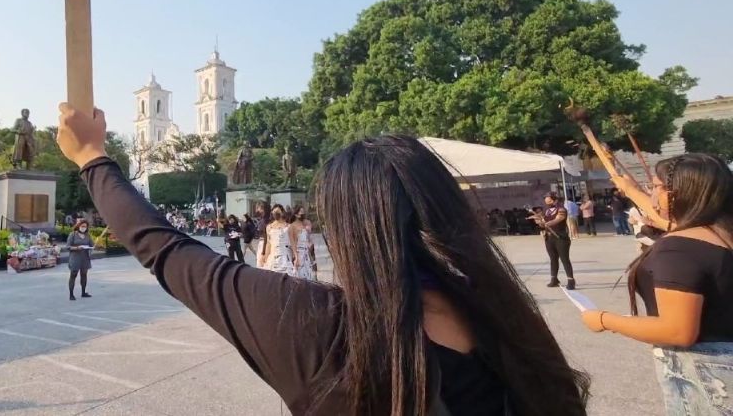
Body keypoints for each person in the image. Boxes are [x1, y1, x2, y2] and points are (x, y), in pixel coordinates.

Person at [55, 105, 589, 415]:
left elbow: (168, 251)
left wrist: (93, 159)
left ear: (347, 226)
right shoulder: (507, 320)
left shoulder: (320, 329)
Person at [581, 154, 733, 414]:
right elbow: (666, 219)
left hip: (706, 375)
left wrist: (605, 320)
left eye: (656, 186)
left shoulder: (677, 248)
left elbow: (677, 331)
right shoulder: (718, 234)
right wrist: (631, 190)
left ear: (680, 192)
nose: (652, 194)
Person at [535, 193, 576, 290]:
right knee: (553, 259)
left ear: (555, 200)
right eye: (546, 201)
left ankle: (571, 280)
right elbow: (542, 224)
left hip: (560, 238)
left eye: (549, 201)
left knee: (564, 259)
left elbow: (558, 220)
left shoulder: (561, 209)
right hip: (549, 238)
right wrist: (538, 221)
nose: (547, 203)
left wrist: (546, 223)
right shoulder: (547, 211)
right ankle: (554, 279)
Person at [258, 205, 296, 275]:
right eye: (274, 212)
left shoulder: (288, 226)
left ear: (282, 213)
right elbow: (268, 244)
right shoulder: (269, 227)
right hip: (273, 256)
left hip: (285, 255)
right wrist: (265, 257)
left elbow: (292, 242)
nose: (276, 213)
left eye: (278, 211)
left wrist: (295, 256)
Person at [66, 220, 93, 300]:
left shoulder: (87, 235)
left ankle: (83, 292)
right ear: (78, 226)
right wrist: (77, 248)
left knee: (84, 275)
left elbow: (91, 245)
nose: (83, 228)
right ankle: (71, 294)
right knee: (73, 275)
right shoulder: (73, 235)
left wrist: (92, 247)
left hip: (85, 258)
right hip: (75, 257)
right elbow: (68, 247)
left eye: (85, 226)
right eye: (82, 226)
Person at [291, 207, 316, 281]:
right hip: (299, 251)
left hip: (307, 250)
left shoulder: (307, 222)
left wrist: (310, 244)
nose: (302, 213)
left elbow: (309, 236)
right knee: (299, 273)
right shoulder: (293, 225)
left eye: (303, 211)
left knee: (309, 271)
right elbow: (293, 241)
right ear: (296, 214)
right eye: (300, 212)